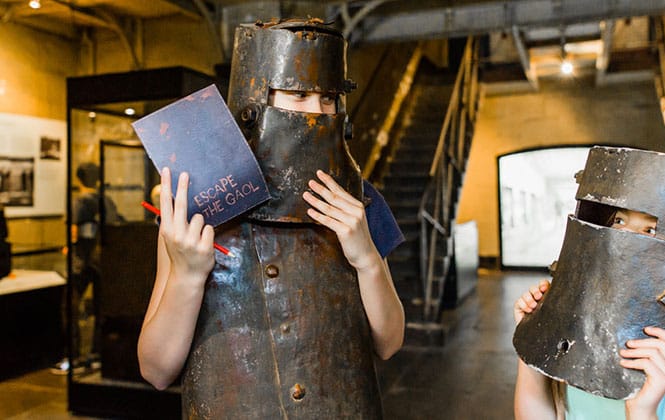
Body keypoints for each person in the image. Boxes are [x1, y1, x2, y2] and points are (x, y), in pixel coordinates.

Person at [138, 19, 405, 418]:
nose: (317, 112)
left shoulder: (359, 201)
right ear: (255, 102)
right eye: (298, 95)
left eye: (329, 99)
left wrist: (367, 258)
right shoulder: (197, 208)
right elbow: (157, 369)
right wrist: (187, 276)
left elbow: (389, 341)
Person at [513, 208, 665, 420]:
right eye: (618, 221)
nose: (623, 237)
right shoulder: (579, 337)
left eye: (651, 229)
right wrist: (532, 339)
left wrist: (643, 413)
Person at [52, 162, 124, 374]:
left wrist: (69, 248)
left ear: (79, 179)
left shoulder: (80, 201)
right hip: (103, 260)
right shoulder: (107, 200)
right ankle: (96, 353)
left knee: (71, 306)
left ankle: (74, 356)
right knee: (101, 307)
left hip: (82, 262)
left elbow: (75, 233)